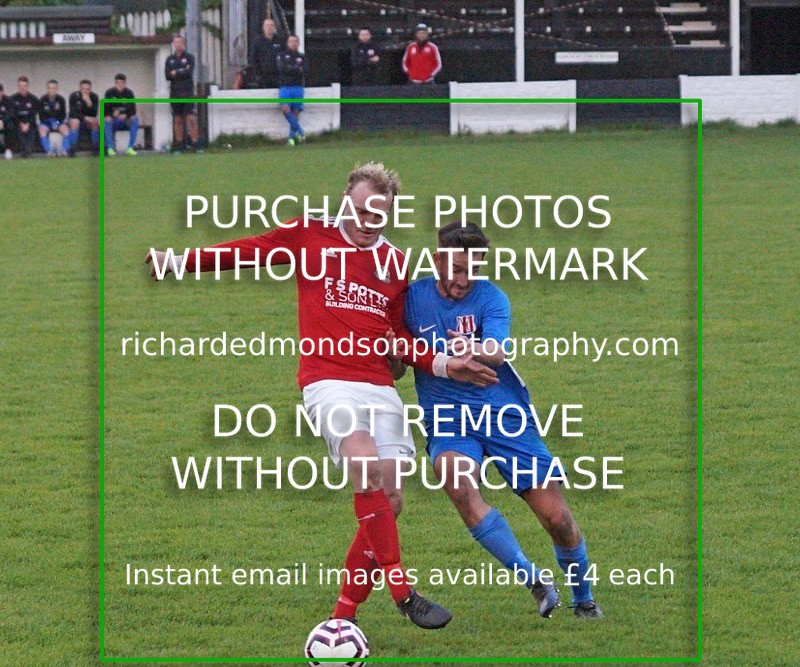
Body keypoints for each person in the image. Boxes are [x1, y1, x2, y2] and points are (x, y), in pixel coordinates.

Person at [146, 162, 499, 630]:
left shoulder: (396, 263)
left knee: (391, 500)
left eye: (378, 215)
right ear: (345, 200)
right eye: (360, 210)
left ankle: (341, 618)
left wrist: (444, 364)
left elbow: (397, 337)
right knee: (364, 465)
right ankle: (402, 590)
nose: (367, 222)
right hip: (327, 381)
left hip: (378, 387)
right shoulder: (309, 235)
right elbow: (247, 251)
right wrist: (177, 262)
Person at [401, 222, 604, 619]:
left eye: (473, 270)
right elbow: (397, 354)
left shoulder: (492, 298)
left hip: (504, 416)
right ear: (437, 260)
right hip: (449, 420)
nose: (464, 280)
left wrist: (473, 347)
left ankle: (584, 599)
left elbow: (496, 350)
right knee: (459, 486)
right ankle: (535, 581)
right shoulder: (413, 299)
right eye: (456, 269)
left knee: (557, 518)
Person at [165, 34, 200, 152]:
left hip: (187, 92)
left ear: (183, 44)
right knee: (177, 119)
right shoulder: (170, 59)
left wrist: (176, 72)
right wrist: (181, 71)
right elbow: (167, 75)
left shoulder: (189, 57)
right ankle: (179, 146)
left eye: (179, 42)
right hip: (175, 92)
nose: (177, 45)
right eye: (175, 42)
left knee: (191, 118)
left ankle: (195, 144)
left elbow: (188, 72)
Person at [276, 34, 307, 145]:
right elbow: (282, 69)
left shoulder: (302, 56)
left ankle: (291, 139)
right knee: (284, 108)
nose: (293, 43)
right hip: (285, 86)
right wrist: (296, 68)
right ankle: (301, 131)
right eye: (291, 41)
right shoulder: (281, 55)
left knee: (295, 112)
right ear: (287, 43)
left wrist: (291, 68)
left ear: (298, 43)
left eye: (295, 41)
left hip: (298, 86)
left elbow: (305, 70)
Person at [103, 74, 139, 157]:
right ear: (115, 83)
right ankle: (110, 149)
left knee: (135, 119)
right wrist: (112, 115)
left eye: (122, 83)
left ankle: (130, 148)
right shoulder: (109, 93)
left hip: (125, 120)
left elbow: (133, 110)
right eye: (118, 83)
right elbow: (105, 110)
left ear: (125, 83)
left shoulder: (129, 93)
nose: (120, 85)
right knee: (107, 120)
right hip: (114, 120)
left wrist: (126, 115)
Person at [67, 79, 100, 156]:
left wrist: (89, 103)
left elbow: (94, 113)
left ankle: (95, 147)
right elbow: (72, 113)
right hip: (76, 119)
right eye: (83, 89)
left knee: (95, 122)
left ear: (90, 89)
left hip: (88, 121)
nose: (85, 91)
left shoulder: (94, 97)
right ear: (80, 89)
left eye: (87, 89)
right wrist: (85, 117)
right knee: (75, 122)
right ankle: (72, 148)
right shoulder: (74, 96)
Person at [38, 79, 70, 156]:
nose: (52, 90)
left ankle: (64, 151)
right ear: (47, 89)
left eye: (54, 88)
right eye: (50, 88)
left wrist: (57, 123)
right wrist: (50, 123)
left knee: (66, 130)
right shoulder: (42, 99)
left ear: (57, 89)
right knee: (42, 130)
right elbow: (41, 116)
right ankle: (49, 151)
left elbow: (63, 115)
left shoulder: (61, 99)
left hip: (58, 121)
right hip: (46, 122)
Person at [249, 17, 283, 88]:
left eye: (271, 25)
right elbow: (253, 58)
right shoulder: (257, 41)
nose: (269, 27)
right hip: (263, 76)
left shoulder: (280, 41)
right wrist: (257, 74)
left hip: (277, 76)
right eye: (267, 25)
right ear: (263, 28)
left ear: (274, 27)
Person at [11, 76, 40, 158]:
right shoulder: (12, 98)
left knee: (33, 129)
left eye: (24, 86)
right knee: (16, 129)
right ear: (18, 86)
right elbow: (13, 115)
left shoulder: (34, 99)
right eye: (20, 86)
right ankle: (25, 150)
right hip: (18, 123)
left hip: (30, 123)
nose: (22, 88)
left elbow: (34, 114)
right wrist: (21, 124)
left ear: (28, 86)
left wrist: (27, 124)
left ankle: (27, 150)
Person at [0, 83, 15, 160]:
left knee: (10, 126)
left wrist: (2, 121)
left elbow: (11, 114)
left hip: (5, 123)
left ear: (2, 92)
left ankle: (8, 150)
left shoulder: (9, 100)